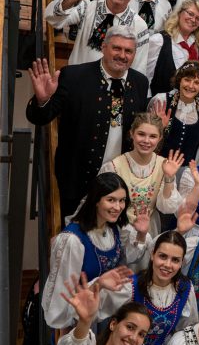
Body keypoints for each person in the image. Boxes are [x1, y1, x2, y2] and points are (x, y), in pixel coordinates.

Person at [26, 28, 148, 218]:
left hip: (117, 183)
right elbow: (40, 118)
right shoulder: (74, 76)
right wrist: (42, 101)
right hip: (75, 180)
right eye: (117, 48)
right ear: (104, 47)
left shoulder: (140, 82)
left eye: (128, 51)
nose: (122, 55)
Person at [42, 173, 151, 330]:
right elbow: (62, 295)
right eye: (111, 200)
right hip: (80, 319)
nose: (118, 207)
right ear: (96, 201)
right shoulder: (72, 240)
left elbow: (129, 258)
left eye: (122, 200)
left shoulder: (112, 227)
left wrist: (141, 234)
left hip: (107, 314)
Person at [94, 230, 198, 345]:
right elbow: (94, 309)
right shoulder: (131, 286)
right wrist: (97, 285)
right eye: (162, 256)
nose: (168, 265)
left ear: (182, 263)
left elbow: (186, 329)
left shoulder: (185, 289)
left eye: (175, 260)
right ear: (152, 255)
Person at [44, 0, 149, 73]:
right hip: (78, 81)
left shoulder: (139, 25)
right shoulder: (87, 8)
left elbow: (139, 68)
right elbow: (52, 19)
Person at [99, 112, 185, 236]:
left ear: (160, 138)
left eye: (153, 136)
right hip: (118, 229)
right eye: (141, 134)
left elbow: (166, 208)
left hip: (149, 229)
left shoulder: (165, 165)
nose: (146, 141)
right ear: (131, 134)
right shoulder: (113, 166)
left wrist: (169, 177)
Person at [149, 60, 199, 166]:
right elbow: (145, 136)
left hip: (186, 174)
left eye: (197, 82)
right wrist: (159, 127)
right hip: (157, 166)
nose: (191, 86)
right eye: (187, 80)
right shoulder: (161, 100)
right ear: (179, 80)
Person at [147, 0, 199, 96]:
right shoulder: (159, 40)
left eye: (198, 18)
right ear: (180, 13)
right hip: (161, 106)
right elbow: (146, 77)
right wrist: (148, 103)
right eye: (190, 14)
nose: (193, 20)